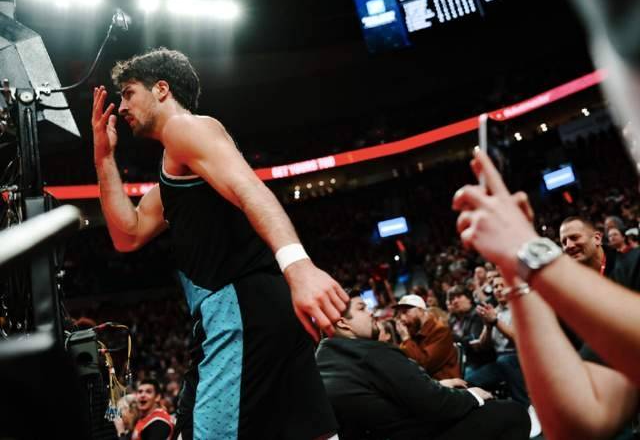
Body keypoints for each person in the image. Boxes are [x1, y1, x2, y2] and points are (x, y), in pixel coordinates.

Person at [91, 48, 347, 439]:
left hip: (238, 311)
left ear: (162, 89)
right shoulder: (176, 164)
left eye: (129, 93)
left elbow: (249, 189)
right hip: (258, 309)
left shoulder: (184, 128)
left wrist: (299, 266)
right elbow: (129, 234)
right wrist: (104, 157)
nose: (122, 106)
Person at [452, 150, 640, 439]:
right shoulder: (568, 291)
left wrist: (531, 251)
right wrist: (514, 272)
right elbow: (582, 418)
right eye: (563, 241)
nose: (569, 245)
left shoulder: (632, 264)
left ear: (597, 238)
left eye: (574, 238)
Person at [315, 291, 531, 440]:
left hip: (410, 410)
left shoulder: (325, 358)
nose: (371, 312)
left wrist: (436, 384)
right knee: (510, 413)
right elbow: (425, 389)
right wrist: (471, 396)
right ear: (343, 323)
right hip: (414, 425)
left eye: (406, 311)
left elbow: (415, 371)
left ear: (421, 310)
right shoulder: (369, 351)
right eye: (362, 308)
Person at [467, 274, 529, 406]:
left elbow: (519, 340)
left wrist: (495, 321)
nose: (498, 289)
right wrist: (488, 326)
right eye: (495, 286)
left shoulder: (521, 308)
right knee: (469, 380)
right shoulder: (493, 312)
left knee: (505, 361)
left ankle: (525, 406)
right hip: (499, 360)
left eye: (502, 285)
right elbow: (484, 346)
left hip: (520, 357)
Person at [394, 294, 461, 379]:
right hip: (426, 382)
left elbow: (424, 365)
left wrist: (406, 339)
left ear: (420, 310)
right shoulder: (414, 331)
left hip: (444, 382)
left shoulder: (440, 331)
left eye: (405, 312)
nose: (402, 318)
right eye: (399, 315)